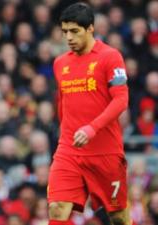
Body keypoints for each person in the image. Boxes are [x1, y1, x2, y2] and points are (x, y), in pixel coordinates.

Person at [48, 3, 132, 225]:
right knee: (57, 208)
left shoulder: (110, 57)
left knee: (118, 217)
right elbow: (63, 104)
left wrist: (92, 127)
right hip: (69, 149)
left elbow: (121, 99)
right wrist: (64, 135)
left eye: (75, 31)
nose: (69, 37)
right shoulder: (60, 63)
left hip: (104, 151)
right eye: (65, 31)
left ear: (91, 29)